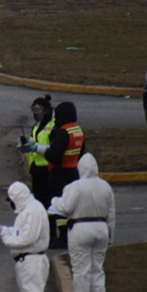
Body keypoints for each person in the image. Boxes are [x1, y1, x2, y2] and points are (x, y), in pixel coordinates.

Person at [48, 153, 116, 292]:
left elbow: (65, 208)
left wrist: (55, 201)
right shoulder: (105, 186)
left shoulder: (75, 187)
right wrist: (110, 237)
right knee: (97, 267)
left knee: (81, 269)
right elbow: (111, 214)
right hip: (101, 228)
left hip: (80, 228)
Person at [44, 101, 85, 249]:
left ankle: (63, 236)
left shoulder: (63, 132)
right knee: (72, 206)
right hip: (74, 172)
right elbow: (81, 153)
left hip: (60, 174)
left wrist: (46, 151)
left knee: (59, 206)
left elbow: (55, 156)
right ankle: (70, 234)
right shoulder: (77, 130)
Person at [18, 95, 56, 245]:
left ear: (46, 110)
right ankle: (42, 234)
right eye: (33, 110)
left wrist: (35, 147)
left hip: (48, 170)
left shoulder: (52, 126)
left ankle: (52, 234)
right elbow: (37, 140)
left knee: (49, 205)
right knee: (39, 205)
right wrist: (28, 143)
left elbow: (53, 148)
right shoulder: (37, 125)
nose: (35, 113)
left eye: (37, 110)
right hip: (37, 171)